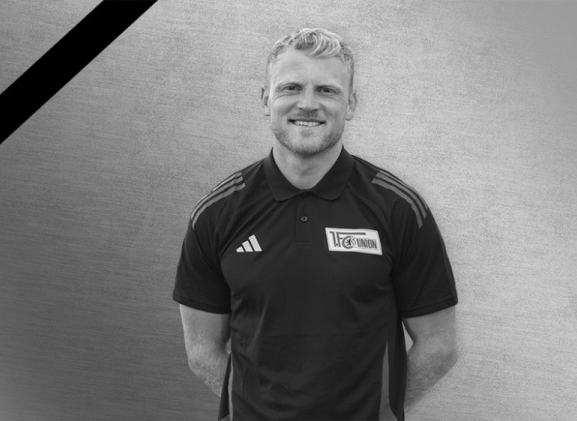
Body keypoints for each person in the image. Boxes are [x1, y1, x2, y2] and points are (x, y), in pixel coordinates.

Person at [173, 28, 458, 421]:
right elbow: (201, 350)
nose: (307, 104)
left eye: (327, 90)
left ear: (351, 104)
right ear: (265, 100)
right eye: (291, 87)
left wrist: (381, 411)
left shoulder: (399, 209)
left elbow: (439, 345)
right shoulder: (216, 213)